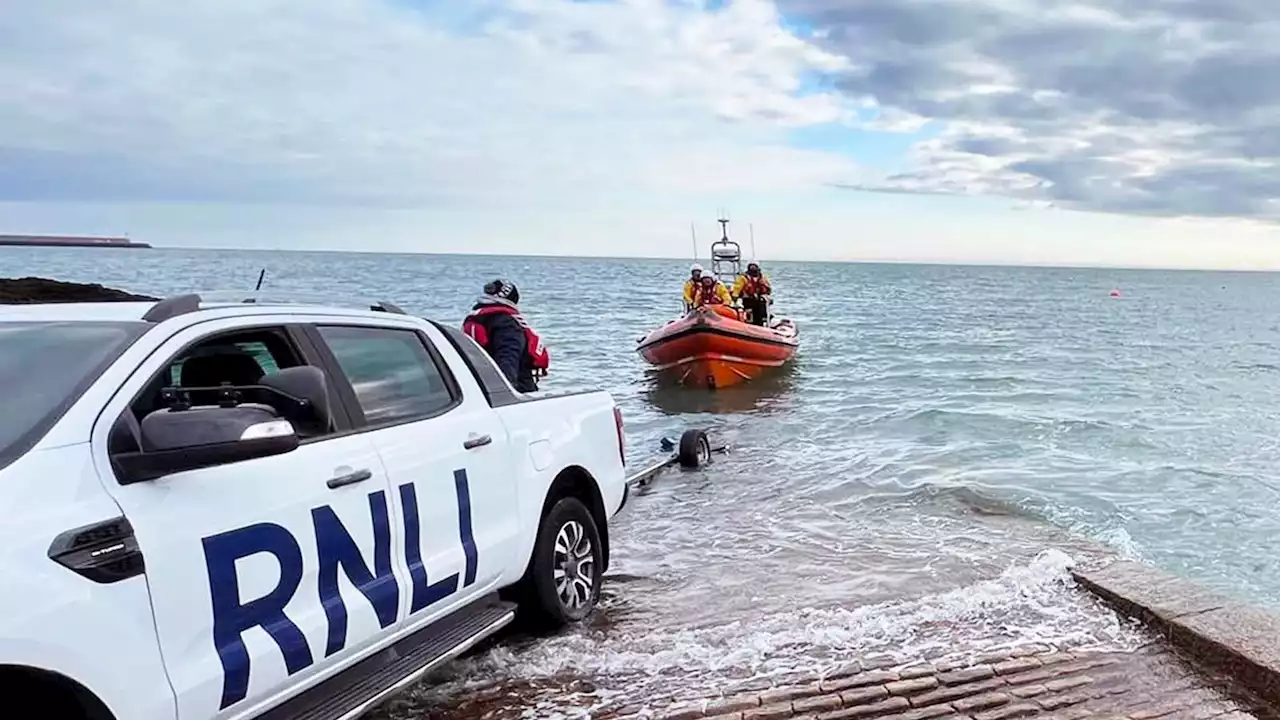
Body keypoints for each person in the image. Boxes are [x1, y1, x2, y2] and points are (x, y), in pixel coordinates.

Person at [462, 279, 549, 393]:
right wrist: (506, 392)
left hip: (480, 387)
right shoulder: (507, 324)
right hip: (517, 390)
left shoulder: (475, 318)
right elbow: (508, 358)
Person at [732, 262, 772, 326]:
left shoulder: (762, 277)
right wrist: (735, 296)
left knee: (760, 316)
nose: (753, 268)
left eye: (754, 266)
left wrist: (766, 291)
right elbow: (737, 287)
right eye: (751, 266)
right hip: (748, 300)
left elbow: (768, 288)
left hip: (759, 300)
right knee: (749, 316)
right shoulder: (743, 277)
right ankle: (750, 326)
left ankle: (761, 325)